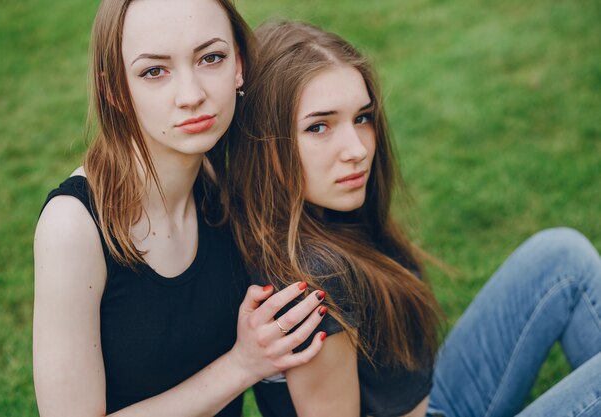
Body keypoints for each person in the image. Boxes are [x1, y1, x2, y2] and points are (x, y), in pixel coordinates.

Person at [228, 20, 601, 417]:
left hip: (433, 401)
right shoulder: (313, 286)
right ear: (262, 140)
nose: (356, 149)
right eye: (319, 126)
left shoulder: (318, 219)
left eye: (362, 117)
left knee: (560, 259)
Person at [32, 2, 328, 416]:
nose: (192, 96)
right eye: (154, 71)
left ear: (239, 65)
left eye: (212, 58)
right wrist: (241, 365)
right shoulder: (73, 227)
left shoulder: (223, 180)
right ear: (114, 89)